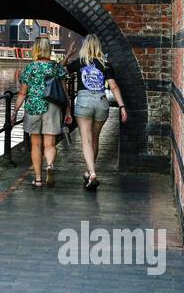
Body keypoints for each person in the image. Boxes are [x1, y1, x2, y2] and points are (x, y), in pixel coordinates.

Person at [66, 34, 128, 190]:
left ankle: (92, 173)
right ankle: (88, 171)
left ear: (85, 46)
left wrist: (68, 55)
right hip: (101, 102)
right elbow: (113, 87)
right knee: (95, 139)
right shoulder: (105, 64)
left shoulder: (80, 62)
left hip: (84, 102)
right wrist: (122, 107)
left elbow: (59, 70)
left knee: (86, 140)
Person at [12, 36, 68, 188]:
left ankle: (38, 179)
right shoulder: (57, 67)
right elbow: (64, 92)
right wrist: (68, 111)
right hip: (52, 107)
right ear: (49, 49)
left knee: (35, 143)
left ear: (35, 49)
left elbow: (23, 93)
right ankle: (49, 165)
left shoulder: (30, 68)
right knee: (50, 144)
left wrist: (15, 111)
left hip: (33, 107)